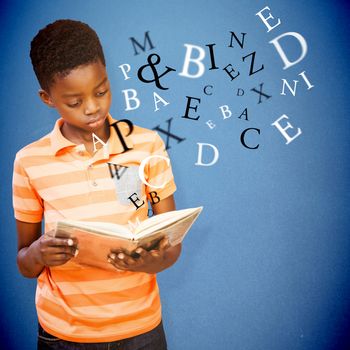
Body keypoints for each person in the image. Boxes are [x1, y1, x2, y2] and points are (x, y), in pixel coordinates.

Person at [12, 19, 181, 349]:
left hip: (141, 330)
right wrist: (39, 252)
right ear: (48, 98)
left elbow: (171, 246)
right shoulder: (29, 162)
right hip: (63, 335)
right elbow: (24, 262)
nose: (93, 107)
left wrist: (148, 260)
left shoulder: (147, 146)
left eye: (102, 91)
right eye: (74, 102)